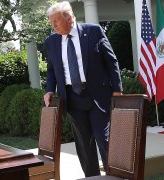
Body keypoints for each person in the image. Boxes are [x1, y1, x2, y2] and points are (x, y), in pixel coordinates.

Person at [43, 1, 123, 177]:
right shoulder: (51, 42)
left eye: (56, 21)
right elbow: (51, 69)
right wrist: (49, 89)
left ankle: (115, 177)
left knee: (105, 141)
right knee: (84, 146)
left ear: (69, 18)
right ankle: (92, 177)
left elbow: (111, 61)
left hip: (97, 96)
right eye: (51, 22)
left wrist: (117, 89)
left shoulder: (93, 31)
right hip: (72, 99)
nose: (53, 25)